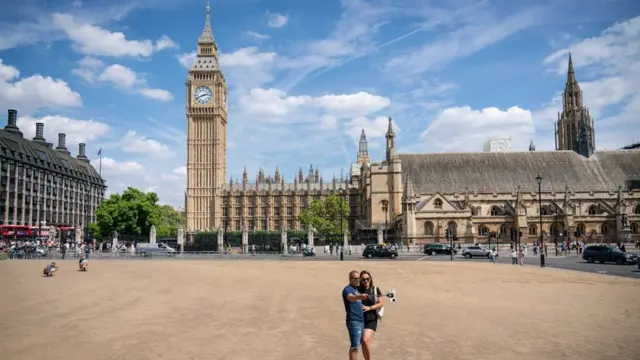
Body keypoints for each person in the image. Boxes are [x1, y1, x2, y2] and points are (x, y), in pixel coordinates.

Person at [358, 270, 384, 360]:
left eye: (367, 279)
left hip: (371, 319)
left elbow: (381, 303)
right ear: (360, 281)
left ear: (370, 279)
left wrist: (369, 308)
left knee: (365, 339)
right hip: (359, 319)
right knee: (363, 341)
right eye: (363, 279)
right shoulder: (357, 290)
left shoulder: (375, 289)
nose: (366, 281)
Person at [342, 270, 368, 360]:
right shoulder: (348, 289)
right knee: (355, 347)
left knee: (356, 345)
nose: (358, 280)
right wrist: (359, 296)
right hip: (353, 321)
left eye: (359, 278)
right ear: (350, 279)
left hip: (360, 321)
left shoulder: (356, 290)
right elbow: (350, 297)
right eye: (356, 278)